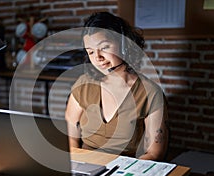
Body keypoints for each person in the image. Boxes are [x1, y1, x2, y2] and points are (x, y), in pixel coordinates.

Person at [65, 12, 169, 161]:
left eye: (104, 47)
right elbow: (71, 134)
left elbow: (154, 153)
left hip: (125, 170)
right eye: (91, 52)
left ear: (124, 45)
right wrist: (75, 163)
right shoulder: (83, 84)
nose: (98, 58)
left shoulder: (150, 92)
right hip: (85, 165)